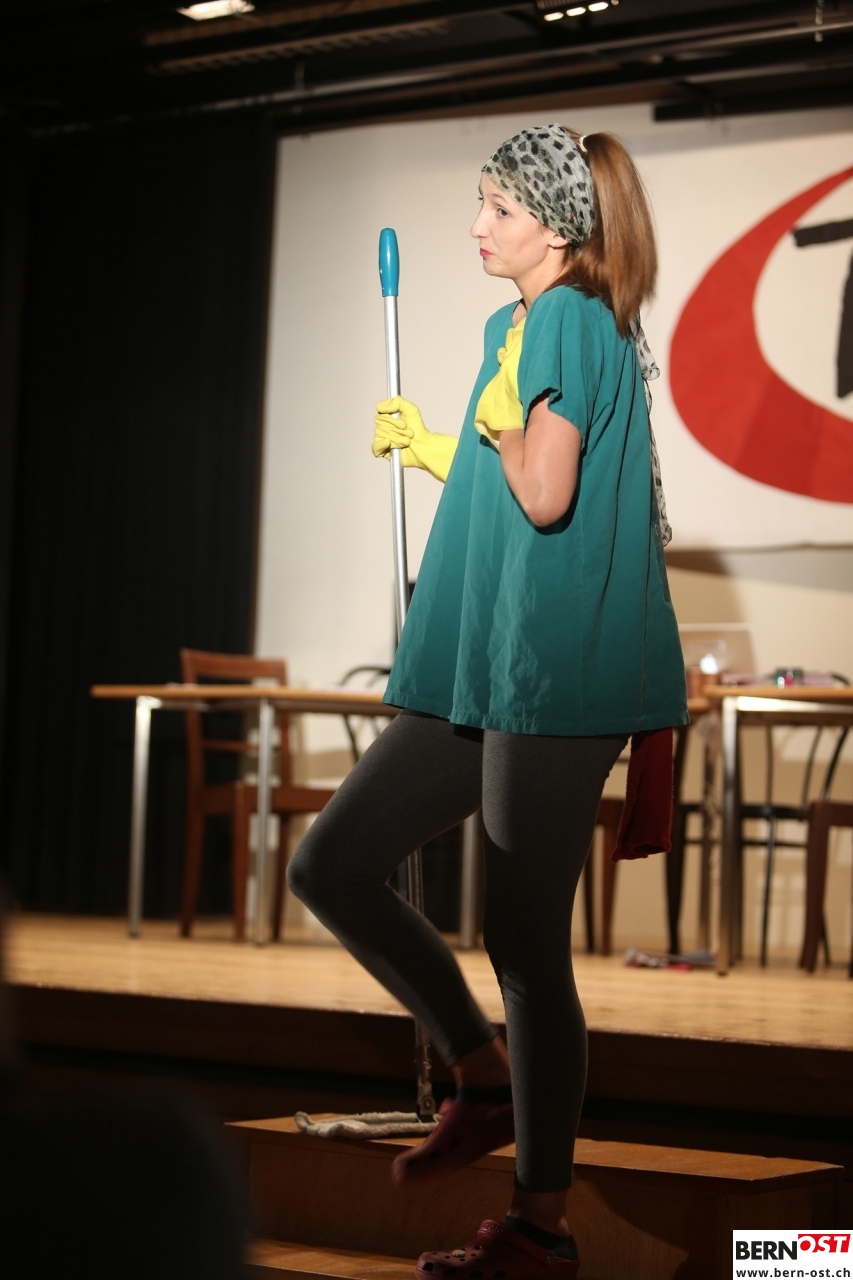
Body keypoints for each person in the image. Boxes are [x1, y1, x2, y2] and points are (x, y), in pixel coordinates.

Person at [288, 123, 688, 1279]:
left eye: (500, 208)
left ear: (555, 228)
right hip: (485, 661)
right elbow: (512, 488)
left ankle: (538, 1226)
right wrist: (437, 449)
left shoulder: (566, 316)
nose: (477, 226)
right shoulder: (509, 325)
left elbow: (548, 493)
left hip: (551, 674)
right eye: (479, 202)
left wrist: (498, 424)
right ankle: (479, 1067)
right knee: (332, 862)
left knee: (521, 940)